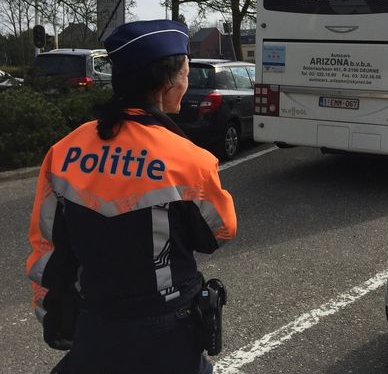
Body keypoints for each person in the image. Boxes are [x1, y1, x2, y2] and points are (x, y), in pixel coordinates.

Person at [26, 19, 237, 374]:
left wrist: (49, 310)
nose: (186, 81)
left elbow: (47, 242)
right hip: (167, 327)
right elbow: (219, 232)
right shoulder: (188, 159)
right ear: (168, 82)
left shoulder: (65, 149)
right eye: (185, 72)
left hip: (94, 322)